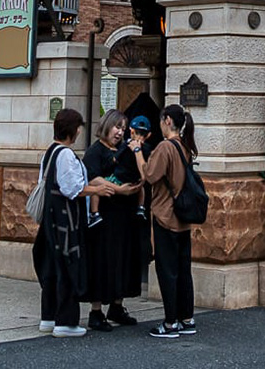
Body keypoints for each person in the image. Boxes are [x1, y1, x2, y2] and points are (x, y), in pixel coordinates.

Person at [139, 104, 198, 339]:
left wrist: (137, 152)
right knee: (184, 270)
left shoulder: (165, 147)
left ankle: (170, 323)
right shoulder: (185, 145)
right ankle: (187, 318)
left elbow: (150, 175)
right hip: (184, 217)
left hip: (166, 216)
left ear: (167, 121)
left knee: (168, 271)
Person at [82, 110, 145, 330]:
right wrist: (119, 190)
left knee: (124, 259)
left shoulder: (123, 149)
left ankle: (117, 306)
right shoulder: (95, 150)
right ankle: (96, 311)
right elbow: (94, 178)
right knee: (102, 261)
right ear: (107, 126)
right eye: (116, 126)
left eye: (123, 127)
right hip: (105, 217)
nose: (119, 132)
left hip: (125, 215)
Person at [31, 107, 89, 338]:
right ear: (72, 130)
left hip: (50, 220)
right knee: (67, 266)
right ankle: (65, 321)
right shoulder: (65, 154)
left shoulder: (50, 152)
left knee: (51, 267)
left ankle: (49, 316)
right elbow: (72, 188)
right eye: (78, 129)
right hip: (65, 220)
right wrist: (100, 188)